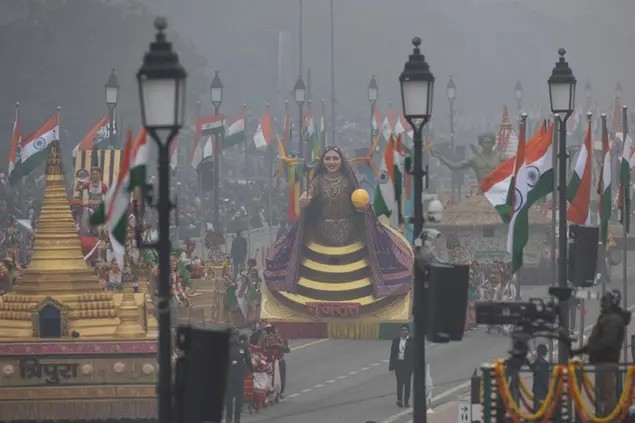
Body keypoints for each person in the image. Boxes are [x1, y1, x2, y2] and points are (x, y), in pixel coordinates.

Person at [265, 146, 413, 303]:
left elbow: (360, 200)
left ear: (341, 161)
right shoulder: (318, 181)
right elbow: (307, 194)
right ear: (322, 161)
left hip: (349, 234)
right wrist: (303, 200)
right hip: (322, 234)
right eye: (328, 159)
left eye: (335, 158)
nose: (331, 162)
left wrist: (363, 207)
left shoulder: (349, 180)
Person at [572, 290, 632, 417]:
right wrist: (579, 351)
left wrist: (591, 349)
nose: (602, 303)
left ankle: (609, 418)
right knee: (602, 394)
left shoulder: (613, 320)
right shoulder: (606, 318)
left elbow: (607, 342)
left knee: (607, 394)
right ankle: (604, 416)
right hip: (602, 361)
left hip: (607, 362)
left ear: (612, 302)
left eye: (605, 300)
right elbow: (597, 341)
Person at [225, 328, 253, 423]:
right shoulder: (243, 346)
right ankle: (236, 418)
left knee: (229, 397)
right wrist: (251, 371)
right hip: (238, 375)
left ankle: (229, 418)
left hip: (229, 375)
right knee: (238, 398)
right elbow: (248, 360)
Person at [389, 324, 413, 408]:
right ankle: (399, 400)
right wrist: (391, 366)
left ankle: (406, 401)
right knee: (399, 383)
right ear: (400, 332)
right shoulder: (396, 340)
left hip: (408, 365)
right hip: (398, 364)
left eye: (405, 330)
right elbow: (392, 353)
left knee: (407, 384)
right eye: (402, 330)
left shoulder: (412, 341)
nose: (403, 332)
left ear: (408, 331)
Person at [528, 344, 549, 412]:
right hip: (542, 390)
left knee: (536, 409)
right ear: (545, 352)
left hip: (536, 389)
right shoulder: (544, 364)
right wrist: (548, 390)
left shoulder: (536, 362)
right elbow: (544, 379)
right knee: (542, 410)